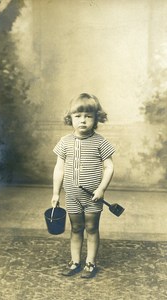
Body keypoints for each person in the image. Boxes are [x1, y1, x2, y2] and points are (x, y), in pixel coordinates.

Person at [51, 93, 115, 278]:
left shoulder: (100, 142)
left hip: (93, 197)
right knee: (76, 228)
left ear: (96, 118)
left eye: (88, 116)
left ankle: (90, 263)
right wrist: (56, 193)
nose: (83, 120)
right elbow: (59, 169)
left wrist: (101, 189)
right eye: (78, 116)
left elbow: (109, 166)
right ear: (70, 118)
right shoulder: (65, 142)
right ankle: (75, 262)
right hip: (72, 196)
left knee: (92, 228)